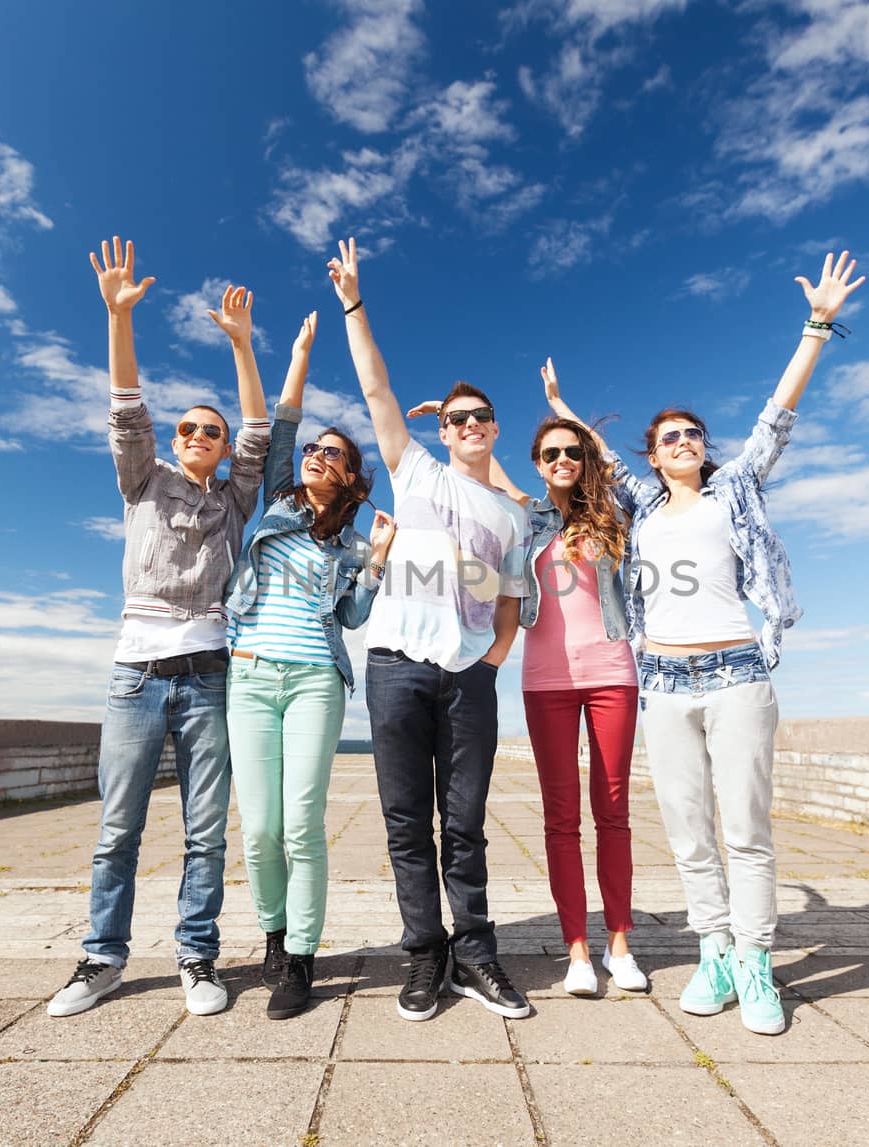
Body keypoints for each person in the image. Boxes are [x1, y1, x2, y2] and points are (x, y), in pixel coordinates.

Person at [603, 252, 865, 1034]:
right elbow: (599, 461)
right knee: (688, 832)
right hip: (665, 684)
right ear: (652, 455)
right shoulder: (643, 509)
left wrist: (815, 327)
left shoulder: (736, 487)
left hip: (737, 672)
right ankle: (713, 949)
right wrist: (559, 405)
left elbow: (776, 416)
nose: (685, 440)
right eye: (670, 436)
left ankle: (756, 962)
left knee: (746, 829)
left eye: (693, 433)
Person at [49, 238, 269, 1019]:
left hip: (210, 672)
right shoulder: (143, 479)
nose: (202, 437)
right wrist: (116, 318)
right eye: (191, 429)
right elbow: (126, 408)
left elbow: (257, 429)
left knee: (205, 831)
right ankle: (101, 958)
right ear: (175, 441)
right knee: (118, 829)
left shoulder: (235, 501)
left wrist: (242, 346)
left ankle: (197, 957)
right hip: (135, 677)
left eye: (210, 431)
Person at [327, 236, 533, 1022]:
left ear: (492, 428)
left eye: (481, 416)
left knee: (468, 822)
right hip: (395, 666)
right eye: (458, 417)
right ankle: (424, 954)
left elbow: (509, 597)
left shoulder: (510, 512)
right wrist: (354, 300)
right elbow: (375, 386)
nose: (470, 424)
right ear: (441, 429)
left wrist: (494, 655)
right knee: (406, 821)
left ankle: (476, 956)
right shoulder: (414, 467)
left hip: (467, 674)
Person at [407, 362, 648, 999]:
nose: (564, 459)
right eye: (551, 454)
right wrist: (452, 421)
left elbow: (615, 470)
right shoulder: (529, 518)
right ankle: (576, 950)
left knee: (614, 811)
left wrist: (561, 406)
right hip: (544, 682)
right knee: (561, 817)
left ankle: (619, 944)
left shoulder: (613, 515)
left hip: (612, 676)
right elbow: (480, 468)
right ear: (538, 465)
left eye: (572, 451)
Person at [224, 309, 397, 1021]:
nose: (319, 454)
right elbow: (280, 424)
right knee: (258, 826)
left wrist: (378, 563)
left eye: (335, 453)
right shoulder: (276, 505)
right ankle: (272, 933)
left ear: (352, 476)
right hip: (251, 674)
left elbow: (352, 619)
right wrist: (297, 350)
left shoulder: (351, 544)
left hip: (316, 683)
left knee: (301, 821)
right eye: (316, 449)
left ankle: (301, 956)